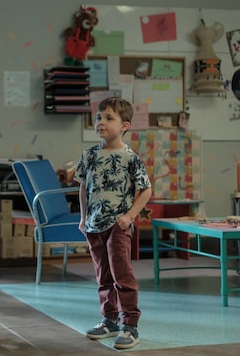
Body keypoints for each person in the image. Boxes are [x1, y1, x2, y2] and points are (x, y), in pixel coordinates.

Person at [73, 97, 152, 350]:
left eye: (109, 118)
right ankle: (109, 320)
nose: (101, 122)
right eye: (99, 117)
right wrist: (83, 218)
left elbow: (146, 190)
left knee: (121, 275)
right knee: (103, 275)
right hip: (93, 226)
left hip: (118, 226)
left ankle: (130, 325)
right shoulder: (89, 155)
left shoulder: (130, 158)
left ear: (124, 125)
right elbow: (83, 187)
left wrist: (130, 216)